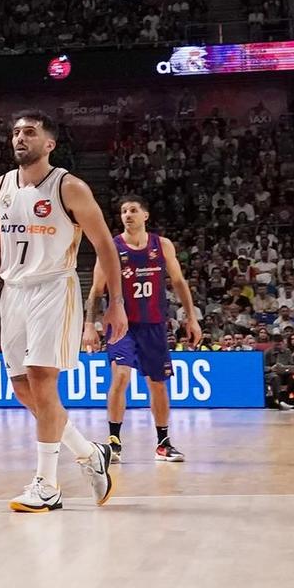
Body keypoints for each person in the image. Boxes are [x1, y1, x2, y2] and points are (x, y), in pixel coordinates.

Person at [0, 111, 127, 514]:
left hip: (54, 286)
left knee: (42, 381)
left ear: (49, 143)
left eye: (29, 133)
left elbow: (105, 247)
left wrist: (114, 304)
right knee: (22, 389)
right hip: (12, 291)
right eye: (15, 132)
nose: (20, 138)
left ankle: (47, 484)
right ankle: (89, 453)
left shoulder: (70, 187)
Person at [83, 197, 200, 463]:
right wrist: (89, 324)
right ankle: (114, 442)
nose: (127, 215)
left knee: (157, 385)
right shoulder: (111, 247)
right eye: (123, 211)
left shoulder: (163, 246)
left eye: (133, 210)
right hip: (122, 324)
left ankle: (163, 443)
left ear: (145, 215)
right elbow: (96, 290)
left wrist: (191, 318)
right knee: (121, 376)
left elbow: (180, 283)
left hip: (154, 324)